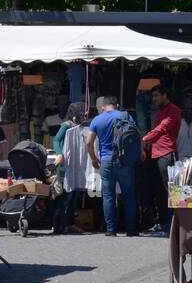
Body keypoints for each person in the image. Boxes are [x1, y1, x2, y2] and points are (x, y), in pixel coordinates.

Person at [86, 96, 139, 238]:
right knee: (129, 196)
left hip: (106, 161)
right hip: (125, 160)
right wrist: (141, 152)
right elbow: (135, 135)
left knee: (108, 196)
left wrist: (93, 158)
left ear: (103, 107)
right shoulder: (125, 116)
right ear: (117, 105)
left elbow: (88, 142)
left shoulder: (97, 120)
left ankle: (111, 229)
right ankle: (131, 229)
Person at [140, 84, 180, 234]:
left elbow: (162, 129)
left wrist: (145, 138)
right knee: (158, 192)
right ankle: (163, 222)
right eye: (153, 97)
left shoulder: (173, 111)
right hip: (156, 154)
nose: (154, 99)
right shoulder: (160, 111)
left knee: (168, 190)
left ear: (165, 95)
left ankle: (170, 224)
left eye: (157, 96)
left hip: (167, 153)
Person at [51, 103, 88, 234]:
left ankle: (69, 223)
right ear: (74, 116)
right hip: (67, 167)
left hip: (78, 166)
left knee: (74, 196)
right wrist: (60, 154)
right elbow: (56, 140)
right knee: (67, 196)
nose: (84, 117)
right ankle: (58, 225)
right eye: (82, 115)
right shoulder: (67, 125)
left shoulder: (82, 127)